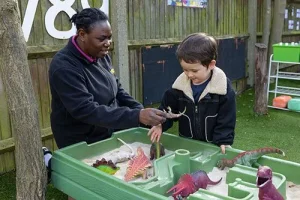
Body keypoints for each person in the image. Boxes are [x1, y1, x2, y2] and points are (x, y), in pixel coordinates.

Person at [48, 8, 167, 149]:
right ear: (82, 34)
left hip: (108, 130)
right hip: (81, 140)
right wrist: (136, 116)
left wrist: (139, 110)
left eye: (109, 37)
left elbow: (118, 90)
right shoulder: (64, 67)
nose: (108, 43)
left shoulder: (101, 55)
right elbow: (86, 110)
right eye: (102, 38)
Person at [148, 33, 236, 154]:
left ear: (211, 65)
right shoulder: (178, 89)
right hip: (187, 145)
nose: (189, 75)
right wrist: (160, 124)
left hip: (213, 146)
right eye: (185, 69)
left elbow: (227, 119)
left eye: (194, 70)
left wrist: (223, 140)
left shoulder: (223, 90)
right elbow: (167, 110)